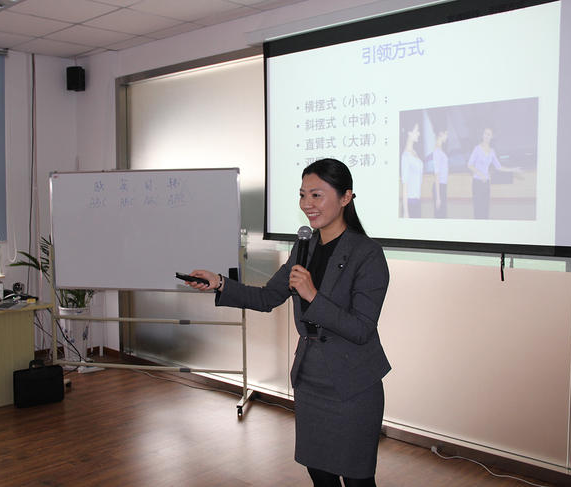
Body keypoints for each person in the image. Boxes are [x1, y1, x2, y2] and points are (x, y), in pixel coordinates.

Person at [185, 158, 391, 487]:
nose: (307, 204)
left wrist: (312, 295)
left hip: (353, 384)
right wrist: (220, 283)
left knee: (357, 479)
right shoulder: (304, 247)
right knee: (319, 472)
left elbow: (361, 328)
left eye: (317, 195)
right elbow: (268, 297)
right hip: (311, 378)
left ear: (345, 197)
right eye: (302, 195)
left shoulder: (367, 254)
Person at [467, 127, 521, 219]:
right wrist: (481, 174)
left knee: (485, 210)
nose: (486, 136)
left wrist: (513, 169)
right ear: (482, 135)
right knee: (478, 210)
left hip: (486, 184)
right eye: (485, 133)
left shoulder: (492, 151)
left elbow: (499, 167)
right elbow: (469, 165)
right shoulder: (477, 149)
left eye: (489, 134)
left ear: (492, 137)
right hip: (477, 183)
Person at [400, 121, 423, 218]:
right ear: (409, 133)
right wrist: (406, 211)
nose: (419, 133)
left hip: (417, 201)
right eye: (416, 131)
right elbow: (405, 184)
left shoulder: (414, 152)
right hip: (410, 203)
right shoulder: (406, 156)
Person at [432, 128, 449, 218]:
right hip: (439, 186)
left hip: (442, 186)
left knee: (442, 215)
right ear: (441, 134)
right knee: (440, 216)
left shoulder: (440, 150)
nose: (447, 136)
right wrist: (438, 197)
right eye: (446, 134)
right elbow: (436, 174)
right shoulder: (437, 151)